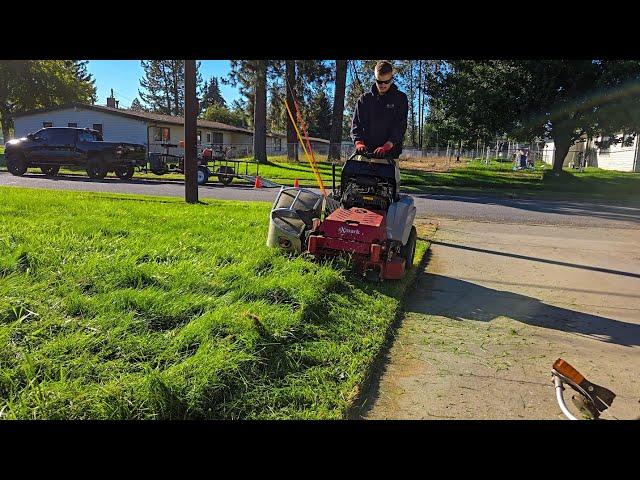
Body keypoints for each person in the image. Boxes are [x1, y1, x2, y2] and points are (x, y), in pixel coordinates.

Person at [350, 61, 409, 159]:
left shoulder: (400, 99)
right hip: (366, 155)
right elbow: (356, 124)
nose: (383, 85)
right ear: (375, 79)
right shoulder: (364, 99)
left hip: (390, 156)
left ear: (391, 79)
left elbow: (400, 126)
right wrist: (359, 143)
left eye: (386, 81)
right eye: (379, 81)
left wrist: (388, 145)